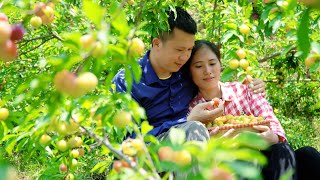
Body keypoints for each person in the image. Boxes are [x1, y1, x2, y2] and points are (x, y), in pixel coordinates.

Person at [112, 7, 265, 143]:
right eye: (179, 50)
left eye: (189, 49)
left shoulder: (186, 71)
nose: (185, 57)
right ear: (157, 43)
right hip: (147, 153)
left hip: (190, 148)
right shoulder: (127, 81)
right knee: (194, 129)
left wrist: (251, 86)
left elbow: (213, 82)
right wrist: (187, 121)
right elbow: (127, 140)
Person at [186, 40, 320, 180]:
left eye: (212, 63)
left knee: (304, 154)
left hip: (265, 160)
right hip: (230, 167)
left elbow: (275, 128)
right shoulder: (191, 109)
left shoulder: (244, 90)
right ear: (189, 71)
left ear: (220, 65)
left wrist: (271, 137)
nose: (207, 71)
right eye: (198, 66)